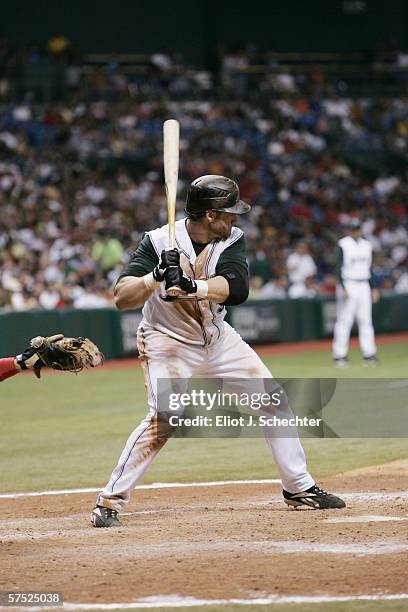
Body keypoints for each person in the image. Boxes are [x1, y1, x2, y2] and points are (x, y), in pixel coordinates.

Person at [91, 175, 345, 528]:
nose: (235, 219)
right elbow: (122, 298)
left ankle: (298, 487)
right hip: (167, 340)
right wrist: (155, 276)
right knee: (165, 418)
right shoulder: (156, 240)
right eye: (229, 213)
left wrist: (191, 285)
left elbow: (237, 288)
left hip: (216, 336)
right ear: (210, 215)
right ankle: (109, 501)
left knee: (274, 401)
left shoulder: (232, 240)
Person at [332, 219, 379, 367]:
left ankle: (369, 354)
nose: (356, 231)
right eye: (353, 229)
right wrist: (343, 287)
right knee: (345, 320)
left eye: (358, 228)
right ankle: (339, 355)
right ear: (349, 230)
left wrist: (373, 288)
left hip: (363, 284)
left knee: (366, 320)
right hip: (349, 283)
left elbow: (369, 269)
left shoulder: (366, 245)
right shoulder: (343, 244)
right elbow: (338, 267)